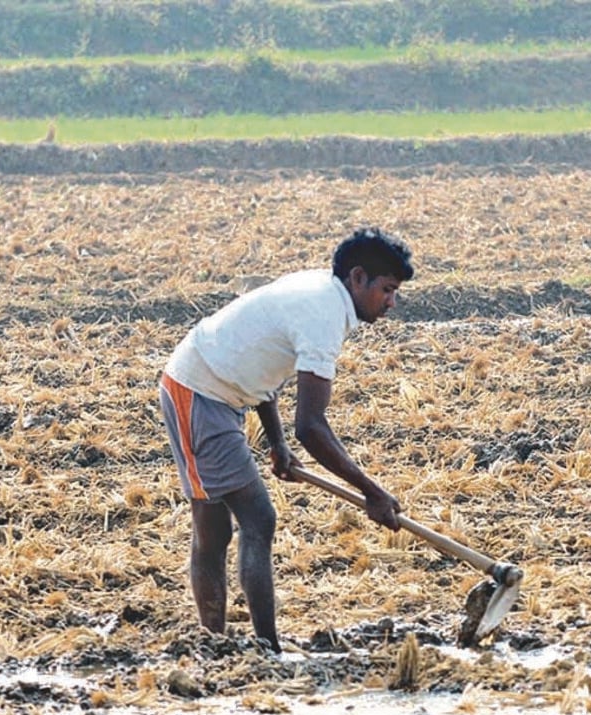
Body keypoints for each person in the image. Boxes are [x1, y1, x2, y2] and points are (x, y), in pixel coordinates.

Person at [157, 227, 415, 652]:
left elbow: (266, 363)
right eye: (386, 290)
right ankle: (261, 647)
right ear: (357, 278)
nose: (391, 303)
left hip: (226, 389)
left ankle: (219, 644)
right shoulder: (322, 316)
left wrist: (276, 442)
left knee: (217, 526)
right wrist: (371, 492)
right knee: (249, 519)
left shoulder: (322, 295)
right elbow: (311, 426)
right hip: (200, 389)